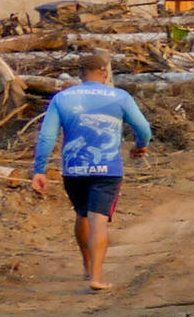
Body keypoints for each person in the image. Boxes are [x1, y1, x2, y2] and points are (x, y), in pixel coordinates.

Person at [29, 52, 154, 292]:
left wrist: (39, 169)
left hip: (74, 169)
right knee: (99, 220)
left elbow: (47, 136)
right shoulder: (119, 96)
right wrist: (140, 146)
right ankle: (97, 277)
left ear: (80, 74)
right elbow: (143, 128)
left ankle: (87, 266)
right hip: (107, 169)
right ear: (105, 72)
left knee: (81, 214)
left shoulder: (61, 98)